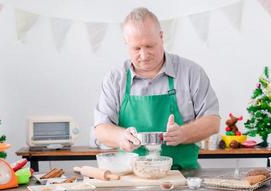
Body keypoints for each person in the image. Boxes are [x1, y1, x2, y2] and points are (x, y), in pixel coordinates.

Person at [94, 7, 220, 169]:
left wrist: (184, 133)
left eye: (149, 46)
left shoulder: (191, 72)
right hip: (131, 177)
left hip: (183, 176)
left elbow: (213, 121)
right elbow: (101, 128)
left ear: (161, 37)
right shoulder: (115, 78)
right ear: (126, 43)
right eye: (136, 48)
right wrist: (120, 137)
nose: (144, 55)